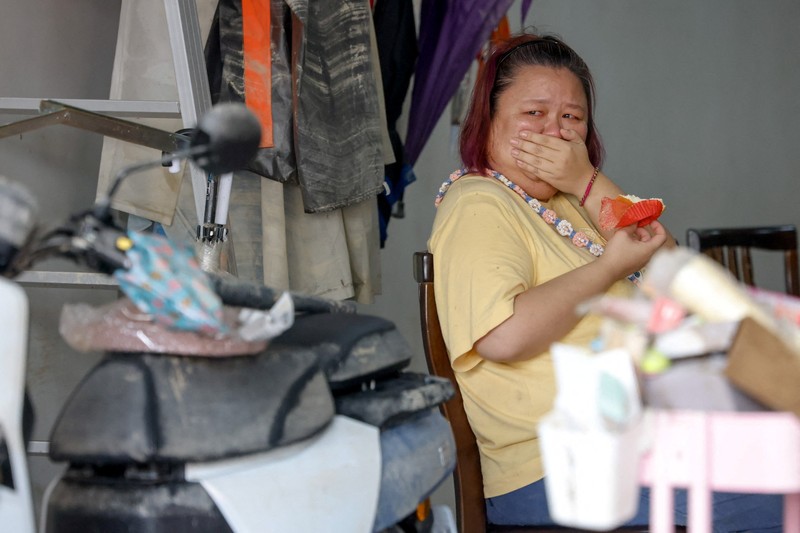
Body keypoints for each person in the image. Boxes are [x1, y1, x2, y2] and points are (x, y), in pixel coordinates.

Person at [428, 32, 784, 530]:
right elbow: (501, 335)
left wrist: (586, 182)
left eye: (571, 118)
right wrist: (607, 268)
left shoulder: (568, 201)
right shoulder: (480, 203)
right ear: (490, 119)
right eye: (534, 114)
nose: (554, 132)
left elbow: (682, 285)